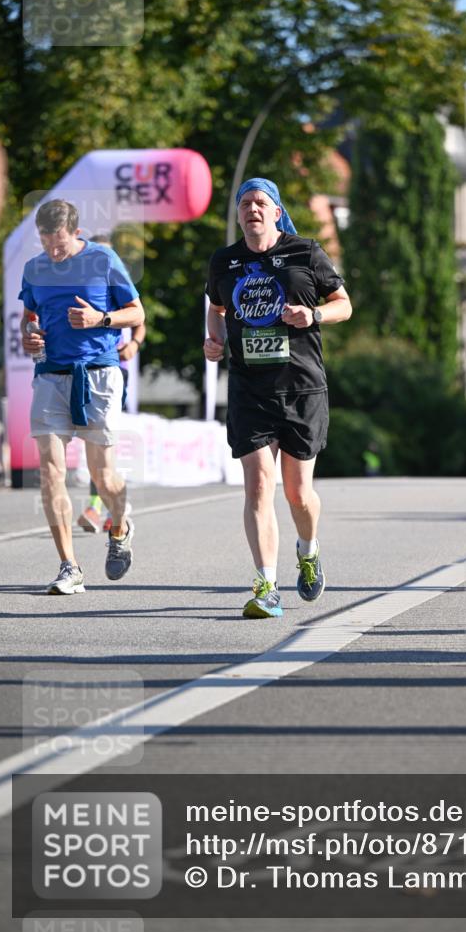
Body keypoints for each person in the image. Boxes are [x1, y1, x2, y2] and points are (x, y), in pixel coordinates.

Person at [205, 177, 352, 618]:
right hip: (250, 388)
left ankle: (308, 551)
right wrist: (213, 341)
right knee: (258, 486)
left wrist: (314, 314)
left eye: (260, 203)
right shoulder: (225, 261)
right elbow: (216, 307)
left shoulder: (304, 253)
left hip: (302, 386)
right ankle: (266, 585)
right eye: (244, 203)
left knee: (297, 493)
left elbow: (344, 303)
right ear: (238, 214)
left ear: (275, 211)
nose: (252, 209)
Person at [20, 199, 144, 593]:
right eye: (46, 244)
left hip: (99, 374)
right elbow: (30, 317)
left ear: (76, 233)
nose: (54, 253)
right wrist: (30, 335)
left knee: (102, 475)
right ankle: (69, 566)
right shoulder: (34, 269)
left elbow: (137, 312)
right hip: (51, 376)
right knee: (51, 469)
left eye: (60, 245)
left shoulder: (103, 259)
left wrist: (100, 319)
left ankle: (120, 527)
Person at [77, 233, 146, 534]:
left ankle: (101, 505)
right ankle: (110, 503)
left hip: (114, 370)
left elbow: (140, 319)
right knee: (93, 443)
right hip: (84, 371)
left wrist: (135, 346)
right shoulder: (82, 285)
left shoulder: (117, 279)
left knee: (102, 440)